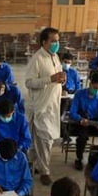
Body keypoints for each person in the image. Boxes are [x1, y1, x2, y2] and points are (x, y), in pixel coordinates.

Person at [25, 27, 65, 186]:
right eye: (53, 41)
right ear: (44, 42)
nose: (57, 43)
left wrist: (63, 79)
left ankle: (31, 163)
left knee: (40, 139)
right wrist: (50, 79)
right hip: (41, 106)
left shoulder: (55, 56)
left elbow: (57, 76)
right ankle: (44, 171)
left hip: (53, 104)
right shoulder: (37, 59)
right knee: (45, 140)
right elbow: (29, 82)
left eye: (58, 40)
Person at [67, 72, 98, 171]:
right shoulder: (79, 94)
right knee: (82, 137)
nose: (97, 91)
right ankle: (79, 158)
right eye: (95, 88)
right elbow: (72, 112)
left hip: (95, 122)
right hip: (83, 121)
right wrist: (80, 119)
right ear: (90, 84)